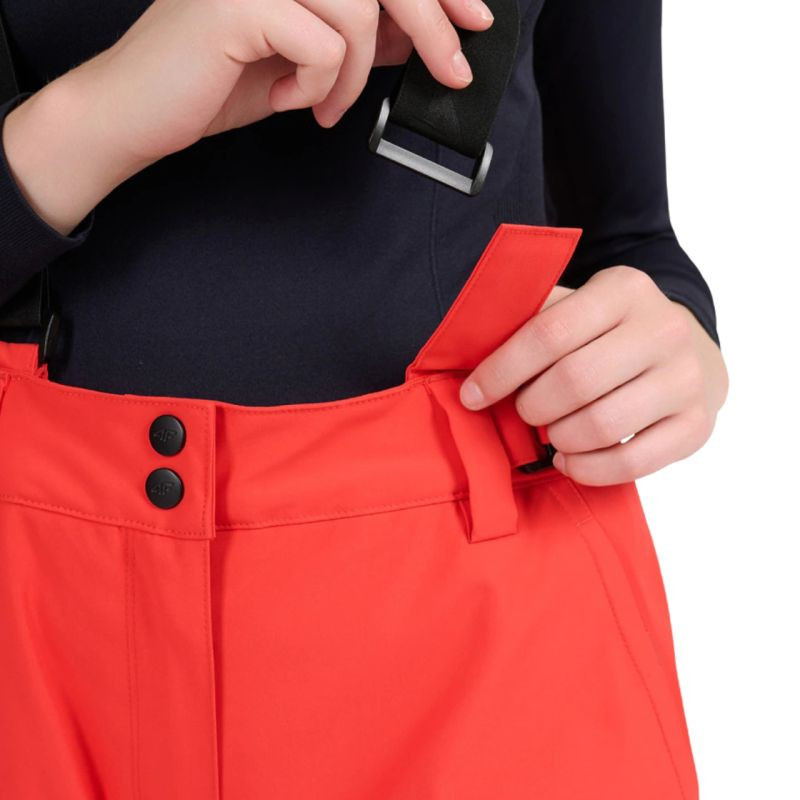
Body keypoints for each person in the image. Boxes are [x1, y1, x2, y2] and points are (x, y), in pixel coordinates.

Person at [0, 0, 728, 797]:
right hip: (31, 625)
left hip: (494, 633)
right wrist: (96, 115)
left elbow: (630, 241)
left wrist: (677, 337)